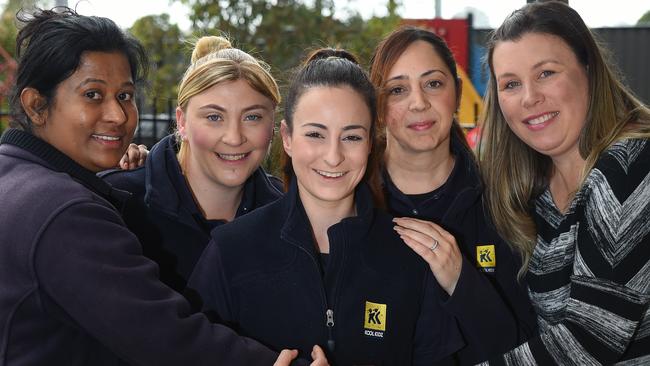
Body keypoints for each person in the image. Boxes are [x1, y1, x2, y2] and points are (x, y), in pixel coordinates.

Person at [0, 7, 327, 365]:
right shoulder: (69, 208)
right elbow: (165, 337)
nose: (118, 115)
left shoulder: (23, 178)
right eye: (93, 94)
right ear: (35, 105)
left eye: (125, 96)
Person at [187, 48, 464, 365]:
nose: (333, 156)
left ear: (370, 143)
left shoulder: (410, 254)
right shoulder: (231, 249)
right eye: (316, 134)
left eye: (351, 137)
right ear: (288, 138)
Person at [479, 1, 650, 364]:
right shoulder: (535, 191)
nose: (529, 98)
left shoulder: (631, 166)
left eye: (546, 73)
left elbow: (591, 338)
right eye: (511, 84)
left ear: (587, 68)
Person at [369, 26, 537, 364]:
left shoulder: (505, 200)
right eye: (398, 90)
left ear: (457, 92)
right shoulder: (352, 204)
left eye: (433, 83)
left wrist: (462, 280)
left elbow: (528, 345)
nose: (419, 103)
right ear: (378, 105)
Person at [102, 35, 283, 292]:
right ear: (182, 122)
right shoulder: (116, 203)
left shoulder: (290, 214)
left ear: (274, 125)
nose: (234, 137)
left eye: (252, 116)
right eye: (214, 117)